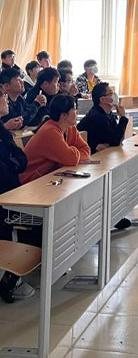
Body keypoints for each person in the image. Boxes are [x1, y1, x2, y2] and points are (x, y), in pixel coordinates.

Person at [77, 83, 131, 230]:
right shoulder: (97, 116)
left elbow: (115, 140)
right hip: (89, 160)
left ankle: (113, 215)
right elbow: (115, 140)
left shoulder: (108, 114)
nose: (114, 95)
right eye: (110, 93)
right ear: (103, 99)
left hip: (99, 156)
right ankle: (110, 217)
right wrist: (123, 118)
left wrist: (110, 142)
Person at [0, 86, 32, 303]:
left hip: (10, 190)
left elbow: (21, 158)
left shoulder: (2, 130)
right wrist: (13, 163)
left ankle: (10, 278)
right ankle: (9, 279)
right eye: (2, 96)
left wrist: (13, 163)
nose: (6, 99)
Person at [19, 94, 90, 184]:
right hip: (31, 180)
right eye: (74, 109)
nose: (77, 112)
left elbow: (86, 150)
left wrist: (69, 154)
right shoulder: (50, 131)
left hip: (49, 176)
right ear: (64, 115)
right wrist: (71, 153)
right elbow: (71, 159)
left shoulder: (70, 128)